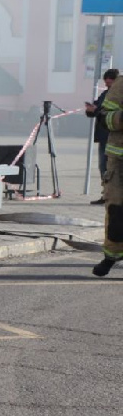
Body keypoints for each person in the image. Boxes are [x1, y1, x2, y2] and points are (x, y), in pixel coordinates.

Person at [92, 74, 123, 276]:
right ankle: (111, 257)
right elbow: (103, 118)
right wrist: (120, 118)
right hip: (118, 164)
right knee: (116, 213)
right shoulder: (120, 85)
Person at [85, 68, 120, 205]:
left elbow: (113, 114)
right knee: (103, 167)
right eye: (106, 84)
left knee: (113, 168)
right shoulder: (105, 94)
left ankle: (113, 197)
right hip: (104, 137)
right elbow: (99, 110)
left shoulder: (119, 96)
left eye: (110, 84)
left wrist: (97, 111)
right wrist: (91, 110)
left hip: (115, 139)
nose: (107, 87)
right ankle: (106, 195)